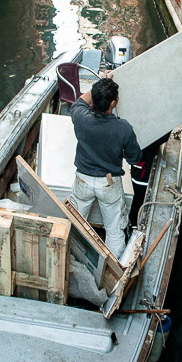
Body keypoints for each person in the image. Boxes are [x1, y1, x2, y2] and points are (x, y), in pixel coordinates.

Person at [67, 77, 141, 258]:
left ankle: (70, 254)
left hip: (83, 180)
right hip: (109, 184)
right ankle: (114, 268)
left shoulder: (80, 118)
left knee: (76, 222)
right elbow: (135, 158)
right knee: (114, 230)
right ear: (114, 102)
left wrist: (100, 86)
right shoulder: (123, 128)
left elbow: (80, 102)